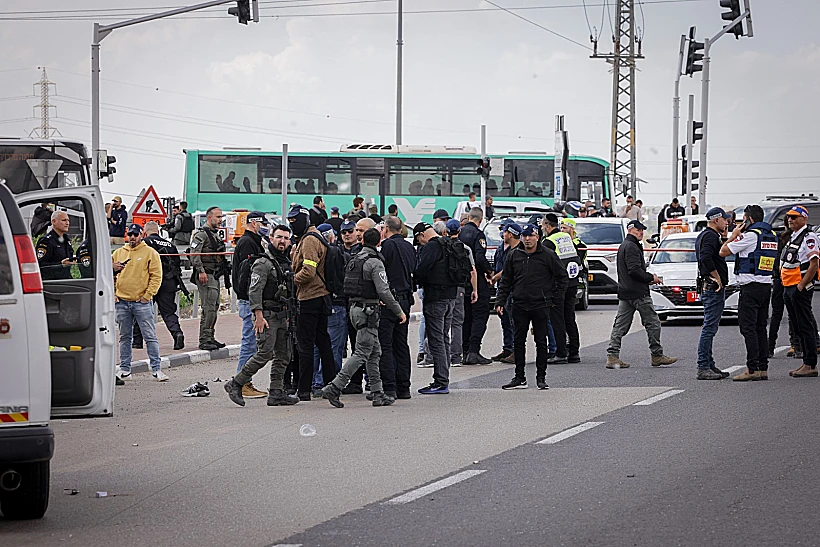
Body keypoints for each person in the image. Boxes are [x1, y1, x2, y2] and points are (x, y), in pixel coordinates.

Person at [323, 228, 407, 408]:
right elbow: (383, 290)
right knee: (362, 352)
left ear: (362, 241)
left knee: (374, 352)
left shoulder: (355, 260)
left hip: (355, 308)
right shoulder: (375, 262)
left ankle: (377, 392)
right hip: (368, 311)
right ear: (379, 242)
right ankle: (335, 386)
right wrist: (399, 311)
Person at [224, 225, 300, 407]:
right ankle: (236, 383)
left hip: (282, 315)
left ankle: (276, 392)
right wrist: (258, 315)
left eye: (286, 238)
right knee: (264, 353)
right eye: (279, 237)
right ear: (271, 239)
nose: (282, 241)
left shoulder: (285, 262)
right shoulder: (263, 263)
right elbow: (254, 290)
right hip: (266, 315)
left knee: (284, 355)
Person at [496, 224, 568, 390]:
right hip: (519, 304)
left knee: (541, 342)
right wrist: (500, 301)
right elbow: (506, 280)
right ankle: (519, 377)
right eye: (524, 236)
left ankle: (541, 377)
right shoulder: (515, 255)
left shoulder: (548, 255)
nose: (527, 239)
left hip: (541, 305)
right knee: (518, 341)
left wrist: (555, 299)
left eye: (531, 235)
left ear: (538, 237)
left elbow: (562, 277)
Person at [606, 219, 677, 369]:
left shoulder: (625, 245)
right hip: (638, 293)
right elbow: (634, 270)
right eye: (638, 230)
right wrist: (651, 278)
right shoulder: (631, 247)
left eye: (642, 230)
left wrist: (647, 277)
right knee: (653, 323)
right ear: (631, 230)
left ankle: (612, 356)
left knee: (620, 326)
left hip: (626, 292)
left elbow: (632, 270)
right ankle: (657, 355)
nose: (641, 232)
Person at [720, 204, 777, 381]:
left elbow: (723, 252)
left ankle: (751, 369)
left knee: (748, 328)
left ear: (748, 219)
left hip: (750, 288)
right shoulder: (771, 235)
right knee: (760, 327)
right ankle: (762, 368)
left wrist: (734, 235)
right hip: (766, 286)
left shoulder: (750, 236)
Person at [289, 204, 339, 400]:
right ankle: (330, 385)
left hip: (310, 297)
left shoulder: (309, 240)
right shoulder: (313, 236)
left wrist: (291, 278)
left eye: (294, 222)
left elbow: (308, 271)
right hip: (320, 296)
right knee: (323, 343)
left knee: (306, 345)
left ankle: (303, 390)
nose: (292, 226)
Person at [113, 224, 168, 383]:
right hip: (122, 302)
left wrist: (147, 296)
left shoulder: (150, 253)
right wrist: (114, 294)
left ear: (141, 235)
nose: (132, 237)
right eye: (130, 234)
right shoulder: (118, 253)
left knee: (150, 336)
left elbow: (156, 276)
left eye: (135, 234)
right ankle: (125, 369)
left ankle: (156, 369)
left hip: (141, 303)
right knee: (124, 337)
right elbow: (109, 274)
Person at [413, 222, 460, 394]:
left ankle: (441, 381)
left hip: (435, 299)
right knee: (444, 338)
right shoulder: (449, 243)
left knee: (436, 340)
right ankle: (443, 378)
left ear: (421, 235)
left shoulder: (432, 247)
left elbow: (420, 271)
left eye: (419, 241)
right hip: (451, 297)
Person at [230, 211, 270, 398]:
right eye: (263, 223)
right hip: (248, 299)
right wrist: (253, 299)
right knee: (250, 343)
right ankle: (242, 383)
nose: (265, 227)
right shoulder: (247, 243)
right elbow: (248, 274)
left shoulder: (253, 241)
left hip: (249, 299)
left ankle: (244, 381)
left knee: (252, 342)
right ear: (254, 223)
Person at [378, 216, 416, 399]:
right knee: (401, 344)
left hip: (389, 301)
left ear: (385, 229)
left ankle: (389, 387)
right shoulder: (409, 247)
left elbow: (382, 273)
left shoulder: (387, 247)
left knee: (386, 344)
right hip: (405, 299)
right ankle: (404, 387)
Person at [132, 221, 186, 352]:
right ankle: (177, 333)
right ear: (158, 231)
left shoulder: (144, 243)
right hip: (169, 282)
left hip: (149, 283)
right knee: (168, 312)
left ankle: (137, 341)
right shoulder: (169, 244)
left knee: (141, 311)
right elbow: (178, 264)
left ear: (144, 232)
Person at [779, 206, 819, 378]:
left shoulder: (809, 237)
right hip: (789, 287)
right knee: (797, 326)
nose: (791, 220)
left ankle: (810, 364)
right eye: (789, 217)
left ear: (804, 218)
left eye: (795, 217)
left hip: (799, 287)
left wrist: (801, 286)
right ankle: (805, 362)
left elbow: (814, 264)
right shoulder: (793, 236)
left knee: (805, 325)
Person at [694, 207, 733, 380]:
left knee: (711, 326)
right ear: (716, 220)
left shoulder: (707, 235)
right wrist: (717, 277)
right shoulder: (710, 236)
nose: (727, 222)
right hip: (712, 287)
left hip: (708, 286)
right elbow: (705, 257)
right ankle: (703, 366)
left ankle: (709, 364)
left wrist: (725, 236)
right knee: (709, 327)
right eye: (725, 219)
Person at [541, 213, 581, 363]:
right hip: (572, 282)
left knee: (557, 319)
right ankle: (574, 352)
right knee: (569, 318)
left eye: (543, 225)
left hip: (558, 285)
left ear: (547, 225)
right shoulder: (565, 237)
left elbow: (544, 265)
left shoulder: (549, 242)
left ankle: (561, 353)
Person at [190, 206, 228, 351]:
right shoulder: (201, 234)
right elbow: (194, 253)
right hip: (206, 274)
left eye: (221, 217)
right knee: (209, 308)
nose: (220, 220)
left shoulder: (214, 234)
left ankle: (210, 337)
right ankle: (204, 339)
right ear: (209, 217)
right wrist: (201, 271)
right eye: (218, 217)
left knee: (214, 306)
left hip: (214, 274)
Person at [459, 207, 493, 364]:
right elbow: (479, 258)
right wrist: (489, 271)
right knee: (480, 316)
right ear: (480, 220)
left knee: (466, 317)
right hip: (476, 279)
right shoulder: (478, 235)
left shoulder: (460, 232)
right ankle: (473, 351)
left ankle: (465, 350)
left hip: (461, 280)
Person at [446, 219, 478, 366]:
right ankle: (456, 357)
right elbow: (473, 271)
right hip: (460, 288)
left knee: (442, 323)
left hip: (444, 288)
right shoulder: (465, 249)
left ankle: (440, 354)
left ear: (446, 231)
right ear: (459, 231)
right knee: (457, 323)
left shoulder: (442, 246)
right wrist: (475, 290)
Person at [490, 221, 521, 363]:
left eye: (503, 230)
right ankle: (507, 348)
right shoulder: (500, 248)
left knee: (514, 321)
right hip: (502, 288)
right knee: (504, 320)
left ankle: (516, 350)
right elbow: (497, 264)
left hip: (511, 288)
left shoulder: (518, 249)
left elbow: (509, 269)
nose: (501, 232)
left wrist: (497, 276)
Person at [36, 210, 75, 281]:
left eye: (68, 220)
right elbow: (40, 265)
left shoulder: (66, 240)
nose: (67, 223)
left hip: (66, 280)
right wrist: (60, 265)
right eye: (64, 220)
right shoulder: (46, 241)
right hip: (52, 282)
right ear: (54, 222)